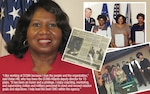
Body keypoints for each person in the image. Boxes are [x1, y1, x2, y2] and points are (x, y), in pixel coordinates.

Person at [0, 0, 97, 93]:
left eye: (52, 25)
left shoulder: (84, 71)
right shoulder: (2, 67)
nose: (44, 31)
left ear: (62, 32)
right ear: (25, 31)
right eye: (36, 25)